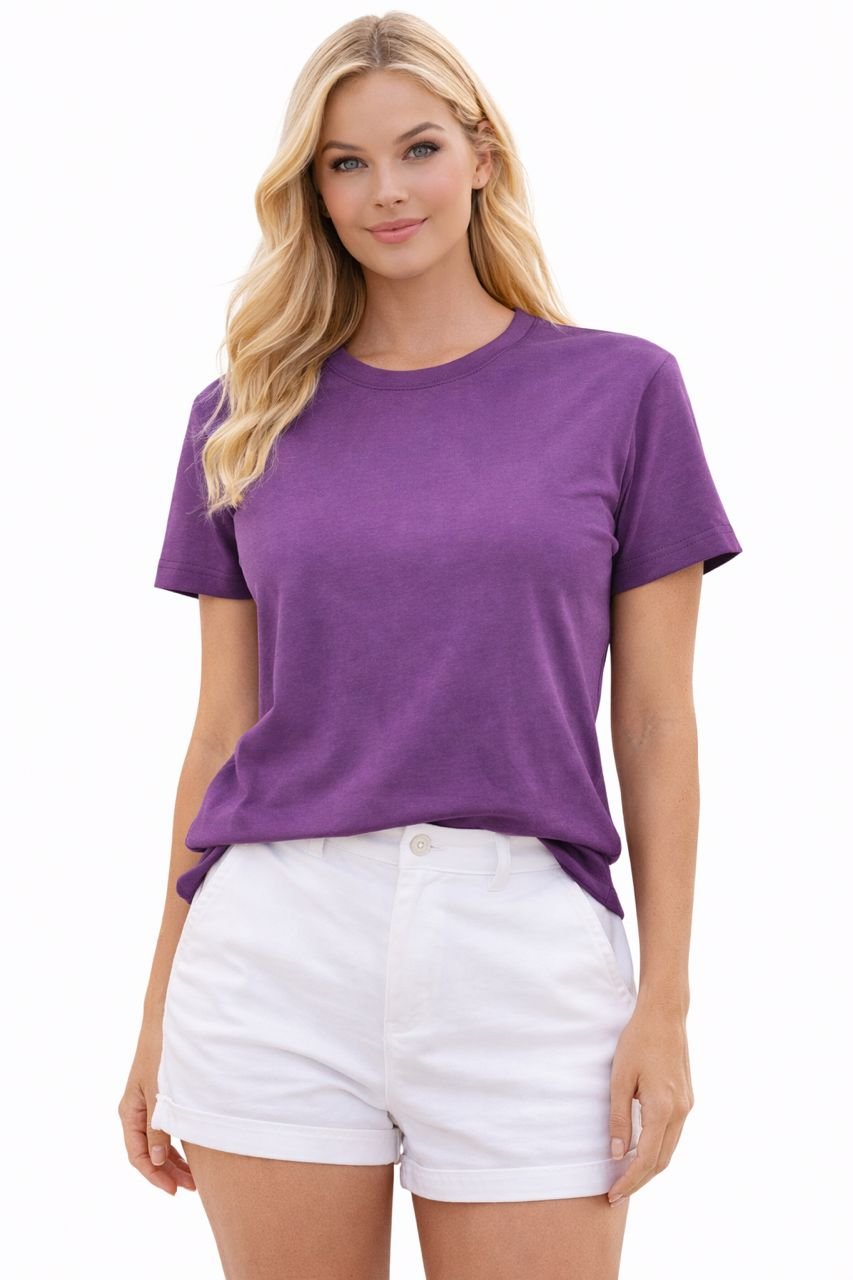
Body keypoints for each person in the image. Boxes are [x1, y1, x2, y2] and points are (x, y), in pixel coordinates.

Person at [118, 12, 743, 1279]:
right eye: (345, 163)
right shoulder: (241, 417)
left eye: (417, 149)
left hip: (526, 951)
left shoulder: (620, 392)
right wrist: (156, 1012)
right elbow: (222, 730)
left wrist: (665, 1001)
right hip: (273, 950)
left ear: (481, 156)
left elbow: (655, 719)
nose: (386, 190)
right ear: (312, 190)